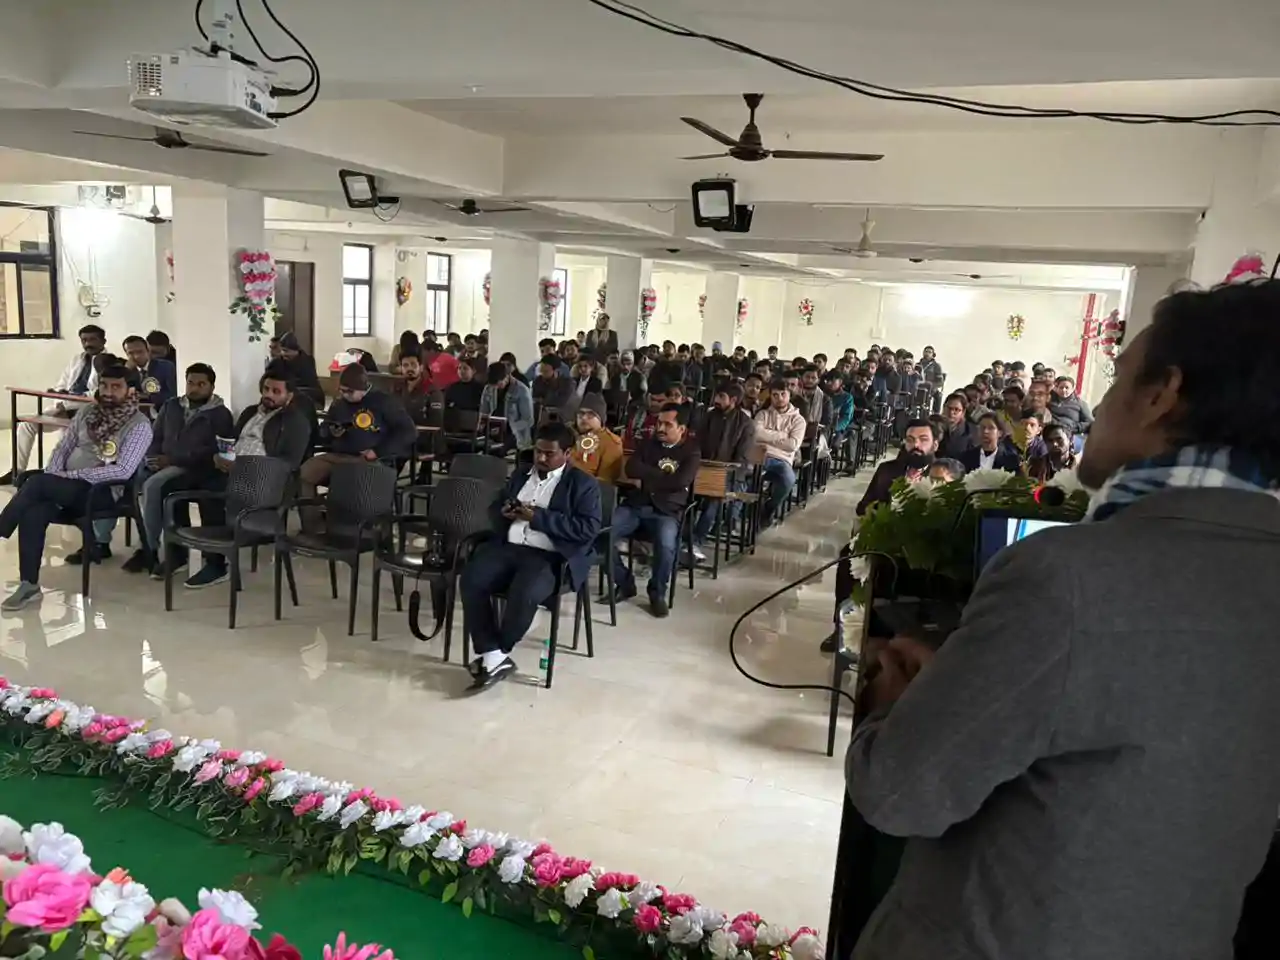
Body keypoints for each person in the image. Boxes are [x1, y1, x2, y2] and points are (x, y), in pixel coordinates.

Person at [846, 279, 1280, 960]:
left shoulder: (1068, 575)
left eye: (1118, 377)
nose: (1099, 404)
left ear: (1162, 393)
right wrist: (968, 679)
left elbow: (901, 793)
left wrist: (902, 700)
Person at [459, 422, 602, 691]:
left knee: (524, 593)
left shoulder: (583, 484)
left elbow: (587, 529)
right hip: (510, 547)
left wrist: (537, 518)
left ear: (567, 453)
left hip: (550, 555)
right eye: (538, 451)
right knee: (471, 579)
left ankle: (497, 653)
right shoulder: (521, 474)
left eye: (549, 453)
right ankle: (493, 654)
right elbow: (495, 507)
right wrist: (503, 512)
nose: (541, 458)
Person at [0, 363, 152, 610]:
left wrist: (71, 477)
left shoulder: (139, 425)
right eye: (104, 385)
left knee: (37, 482)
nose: (108, 392)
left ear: (131, 391)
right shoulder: (87, 412)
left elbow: (122, 470)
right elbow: (63, 447)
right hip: (66, 487)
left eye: (116, 387)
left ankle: (2, 526)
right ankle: (29, 585)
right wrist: (56, 475)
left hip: (102, 492)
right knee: (34, 510)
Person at [182, 363, 312, 589]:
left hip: (263, 480)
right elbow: (231, 441)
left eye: (276, 391)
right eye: (266, 389)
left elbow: (289, 463)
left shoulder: (295, 421)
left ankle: (216, 564)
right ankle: (186, 553)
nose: (269, 395)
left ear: (289, 395)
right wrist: (220, 456)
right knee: (180, 486)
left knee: (211, 493)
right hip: (233, 470)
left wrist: (246, 467)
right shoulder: (250, 412)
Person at [107, 363, 233, 576]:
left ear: (211, 387)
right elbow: (155, 436)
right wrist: (152, 458)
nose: (194, 388)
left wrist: (171, 460)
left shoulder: (220, 414)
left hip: (194, 468)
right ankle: (124, 541)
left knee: (155, 486)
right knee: (128, 477)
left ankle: (149, 548)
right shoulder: (172, 406)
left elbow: (213, 451)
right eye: (190, 383)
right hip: (163, 462)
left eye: (201, 384)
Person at [609, 403, 700, 618]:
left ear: (681, 429)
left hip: (667, 511)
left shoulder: (691, 452)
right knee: (601, 532)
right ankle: (625, 582)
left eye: (667, 424)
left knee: (666, 545)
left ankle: (657, 593)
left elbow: (680, 481)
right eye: (659, 423)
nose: (660, 428)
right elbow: (631, 468)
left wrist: (647, 479)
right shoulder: (648, 444)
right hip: (636, 505)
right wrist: (662, 477)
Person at [299, 364, 414, 532]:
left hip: (367, 459)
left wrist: (378, 451)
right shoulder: (339, 404)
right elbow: (324, 428)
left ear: (363, 388)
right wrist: (330, 431)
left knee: (348, 479)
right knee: (304, 473)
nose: (344, 394)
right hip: (337, 455)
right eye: (342, 390)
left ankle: (348, 530)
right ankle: (313, 527)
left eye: (349, 391)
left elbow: (408, 431)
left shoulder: (383, 402)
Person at [1, 324, 107, 485]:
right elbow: (61, 385)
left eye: (92, 339)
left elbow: (97, 393)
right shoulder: (77, 359)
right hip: (64, 406)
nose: (88, 344)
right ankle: (17, 470)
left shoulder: (108, 362)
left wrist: (66, 405)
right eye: (84, 340)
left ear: (103, 341)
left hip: (86, 410)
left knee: (66, 445)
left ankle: (59, 476)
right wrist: (59, 400)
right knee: (26, 425)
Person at [691, 382, 756, 560]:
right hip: (703, 469)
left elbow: (742, 459)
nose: (716, 400)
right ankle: (681, 537)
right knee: (681, 491)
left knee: (714, 499)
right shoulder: (710, 416)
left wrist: (722, 474)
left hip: (731, 475)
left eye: (721, 397)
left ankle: (696, 541)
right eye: (716, 396)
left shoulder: (746, 424)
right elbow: (696, 443)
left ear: (733, 400)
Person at [752, 379, 807, 526]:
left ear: (789, 395)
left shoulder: (798, 420)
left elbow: (793, 445)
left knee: (789, 479)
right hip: (759, 456)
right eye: (775, 395)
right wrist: (782, 435)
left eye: (783, 394)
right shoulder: (763, 414)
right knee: (746, 476)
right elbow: (756, 434)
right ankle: (751, 509)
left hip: (782, 459)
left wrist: (767, 437)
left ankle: (770, 507)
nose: (779, 398)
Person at [855, 420, 938, 516]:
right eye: (910, 440)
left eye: (923, 440)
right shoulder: (886, 469)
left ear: (935, 445)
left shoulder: (942, 475)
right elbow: (863, 507)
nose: (916, 445)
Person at [480, 361, 535, 458]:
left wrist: (509, 427)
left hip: (515, 433)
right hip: (493, 429)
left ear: (507, 376)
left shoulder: (521, 390)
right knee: (477, 446)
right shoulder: (488, 388)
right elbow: (484, 412)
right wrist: (482, 425)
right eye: (494, 385)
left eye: (499, 384)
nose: (496, 387)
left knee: (498, 450)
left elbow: (528, 420)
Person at [569, 394, 623, 483]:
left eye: (591, 414)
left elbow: (605, 482)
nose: (584, 418)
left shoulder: (610, 442)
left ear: (600, 419)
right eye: (581, 413)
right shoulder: (566, 433)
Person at [121, 334, 177, 407]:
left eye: (140, 352)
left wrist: (147, 396)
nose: (136, 356)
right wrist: (125, 372)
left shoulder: (165, 366)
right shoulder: (125, 370)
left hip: (160, 409)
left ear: (148, 350)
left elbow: (172, 395)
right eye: (131, 353)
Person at [277, 332, 324, 405]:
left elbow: (310, 385)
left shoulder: (307, 361)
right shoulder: (279, 362)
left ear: (295, 351)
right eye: (282, 350)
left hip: (309, 397)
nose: (283, 354)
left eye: (286, 351)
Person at [1049, 375, 1093, 448]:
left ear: (1072, 389)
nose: (1064, 390)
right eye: (1061, 387)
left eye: (1067, 388)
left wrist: (1074, 427)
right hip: (1051, 432)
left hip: (1072, 434)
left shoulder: (1080, 404)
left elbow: (1089, 422)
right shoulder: (1049, 401)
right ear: (1056, 388)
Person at [936, 392, 977, 459]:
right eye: (949, 408)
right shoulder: (934, 425)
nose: (951, 412)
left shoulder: (971, 431)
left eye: (956, 410)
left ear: (963, 412)